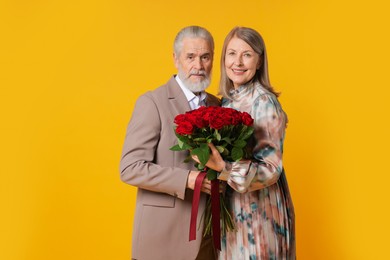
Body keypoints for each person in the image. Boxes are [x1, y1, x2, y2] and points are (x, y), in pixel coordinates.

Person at [119, 26, 220, 260]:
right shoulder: (152, 103)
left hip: (208, 242)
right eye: (191, 57)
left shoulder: (218, 106)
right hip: (162, 242)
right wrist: (186, 179)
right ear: (175, 59)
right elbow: (129, 168)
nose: (199, 65)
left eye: (205, 57)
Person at [201, 27, 296, 259]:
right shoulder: (227, 102)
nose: (238, 62)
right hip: (233, 213)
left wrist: (223, 168)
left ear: (259, 60)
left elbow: (271, 169)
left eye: (247, 54)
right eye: (232, 54)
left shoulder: (263, 101)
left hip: (260, 214)